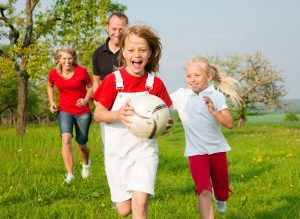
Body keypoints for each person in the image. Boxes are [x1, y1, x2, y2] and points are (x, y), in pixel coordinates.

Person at [93, 24, 173, 218]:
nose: (137, 54)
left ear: (151, 52)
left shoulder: (155, 84)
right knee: (124, 210)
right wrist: (118, 114)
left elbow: (165, 116)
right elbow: (98, 115)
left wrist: (164, 126)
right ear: (122, 51)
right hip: (117, 154)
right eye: (131, 50)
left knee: (141, 199)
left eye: (142, 50)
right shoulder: (113, 81)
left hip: (145, 150)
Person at [170, 56, 243, 219]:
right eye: (189, 76)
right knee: (204, 190)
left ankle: (221, 199)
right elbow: (159, 102)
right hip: (196, 153)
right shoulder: (181, 96)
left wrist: (214, 112)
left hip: (217, 151)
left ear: (208, 76)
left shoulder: (216, 97)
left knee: (222, 192)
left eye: (197, 75)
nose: (192, 79)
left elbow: (230, 123)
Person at [47, 46, 93, 184]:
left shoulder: (82, 72)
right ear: (59, 59)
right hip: (64, 111)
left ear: (74, 59)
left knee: (82, 144)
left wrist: (85, 100)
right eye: (64, 59)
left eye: (70, 58)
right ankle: (70, 174)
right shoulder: (54, 73)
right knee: (66, 139)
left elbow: (91, 87)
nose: (67, 61)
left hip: (82, 112)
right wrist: (52, 102)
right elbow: (49, 85)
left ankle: (86, 163)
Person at [92, 11, 129, 92]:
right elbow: (96, 81)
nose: (117, 33)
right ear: (107, 27)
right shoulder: (97, 53)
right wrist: (97, 101)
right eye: (114, 29)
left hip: (128, 101)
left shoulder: (132, 52)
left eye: (121, 30)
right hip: (105, 102)